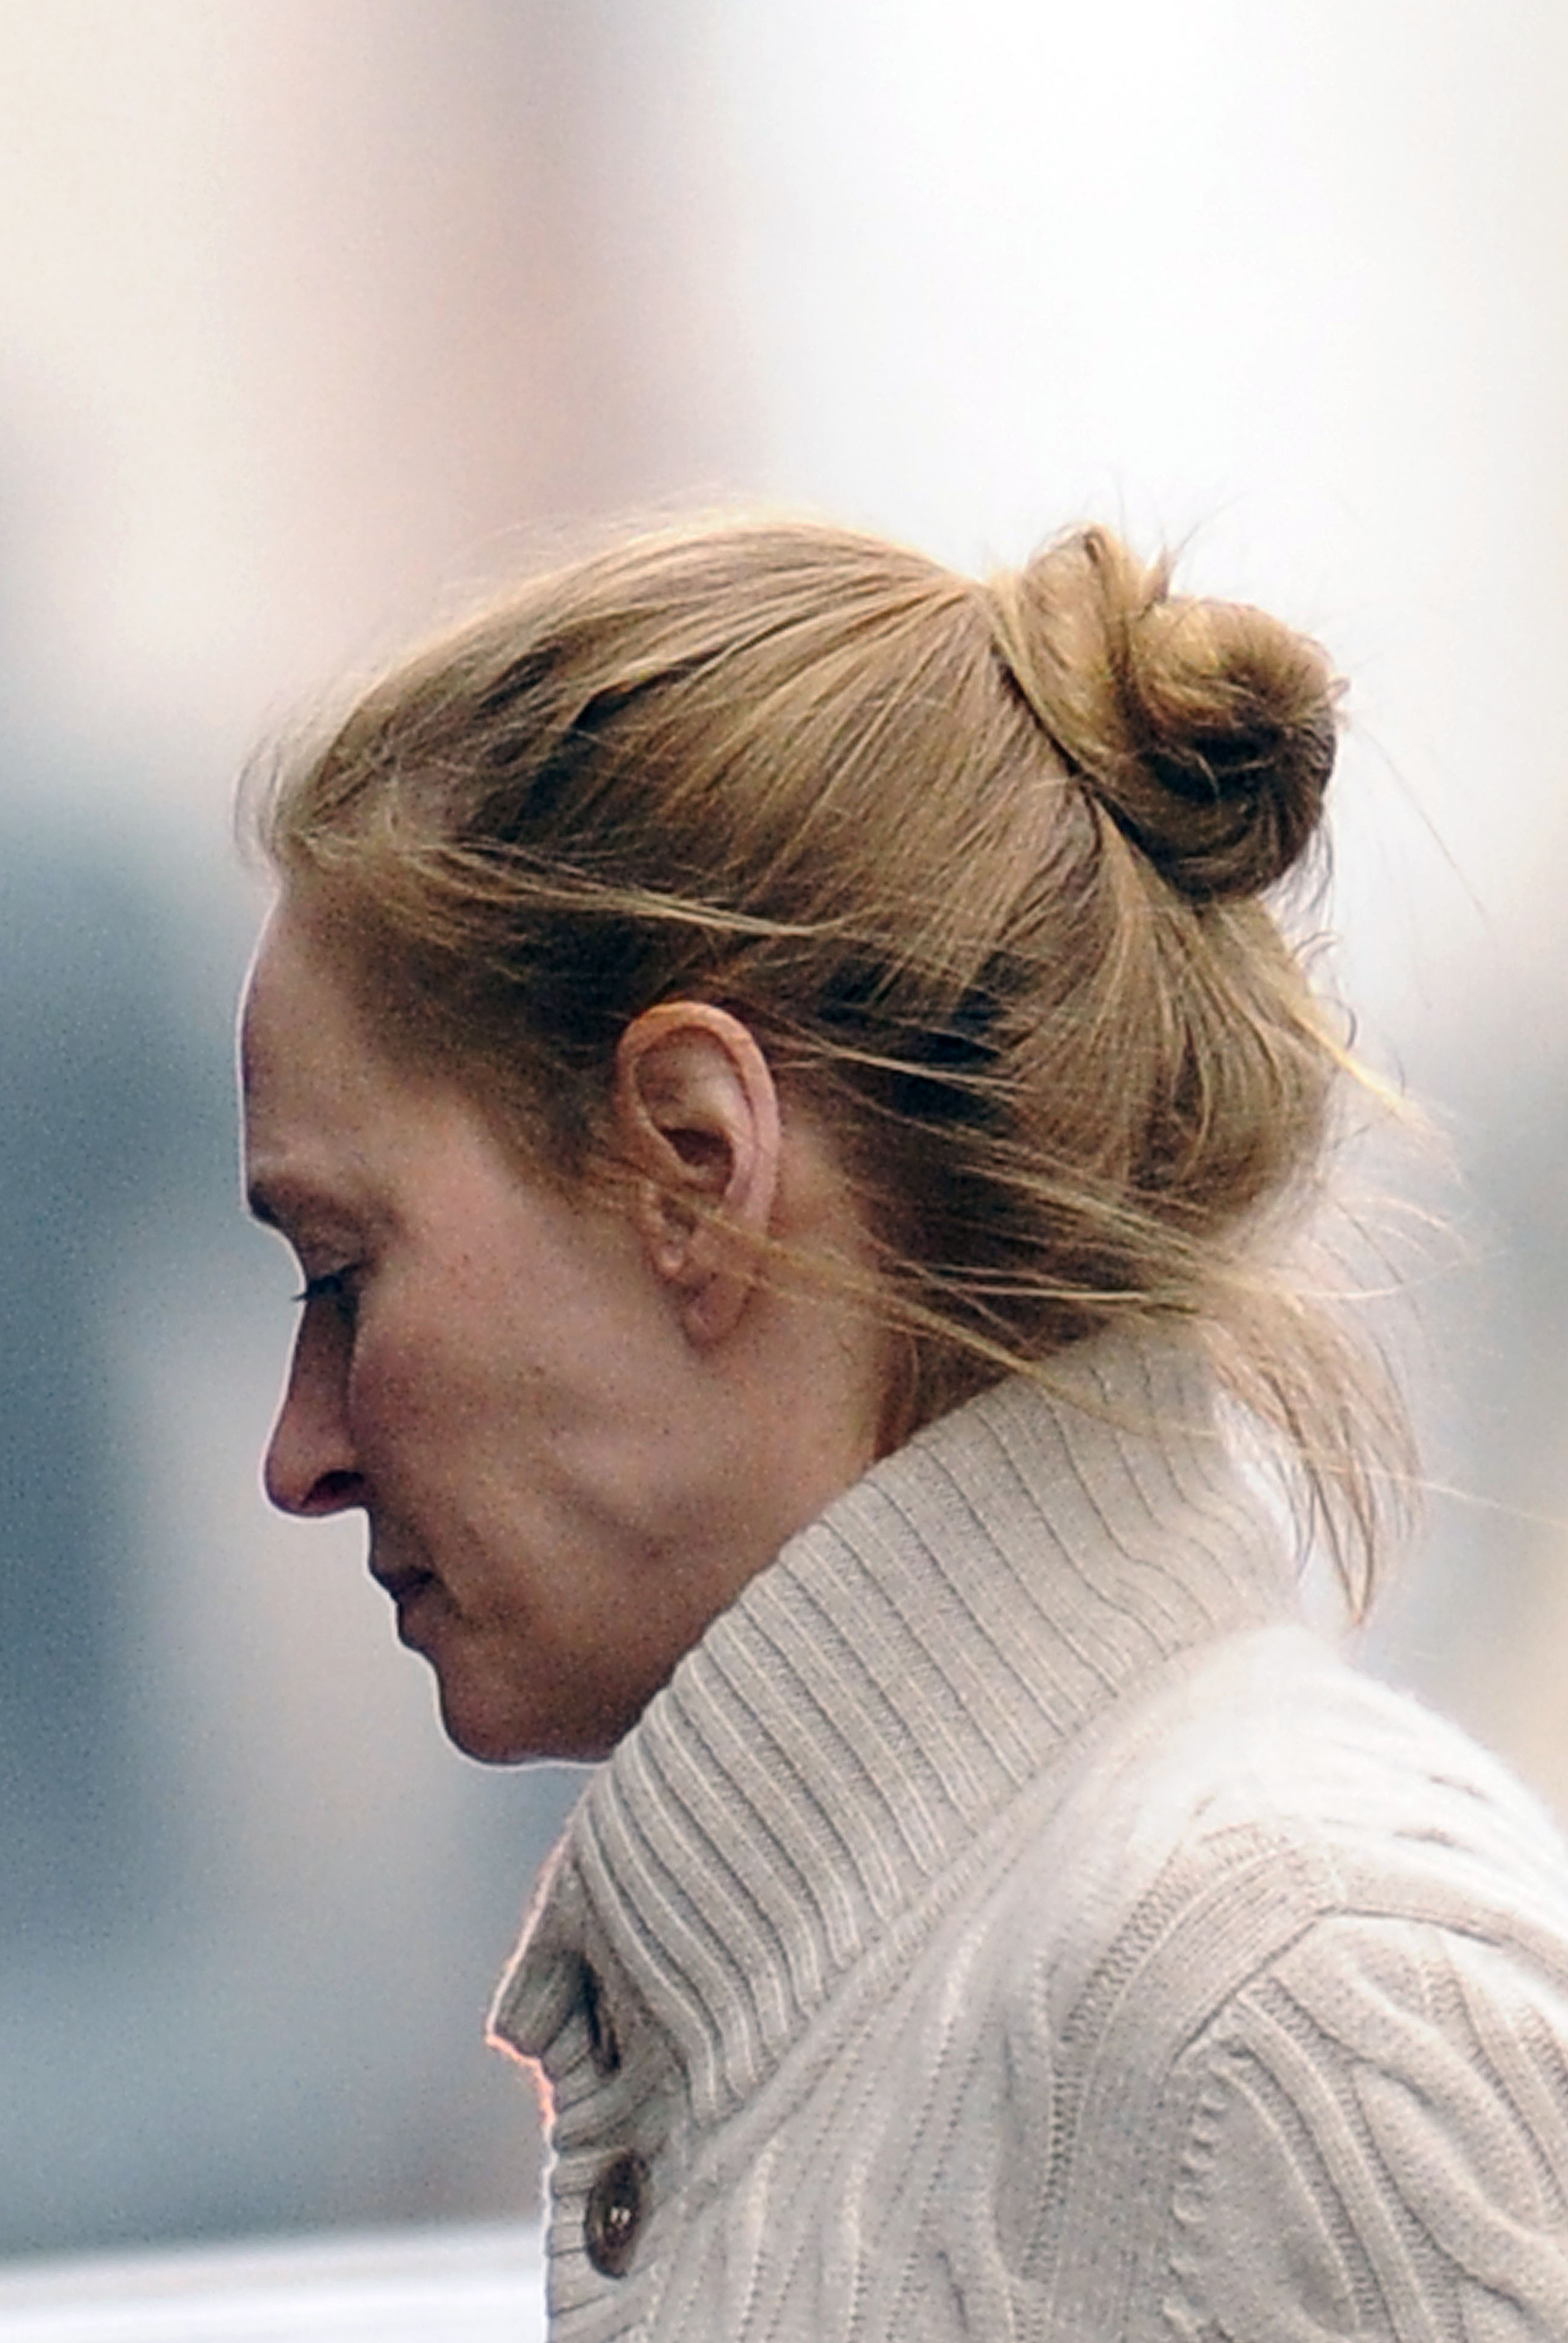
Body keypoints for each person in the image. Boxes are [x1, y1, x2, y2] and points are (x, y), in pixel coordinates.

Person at [240, 514, 1568, 2340]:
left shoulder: (1294, 2021)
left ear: (695, 1165)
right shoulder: (1051, 2004)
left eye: (341, 1273)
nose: (298, 1454)